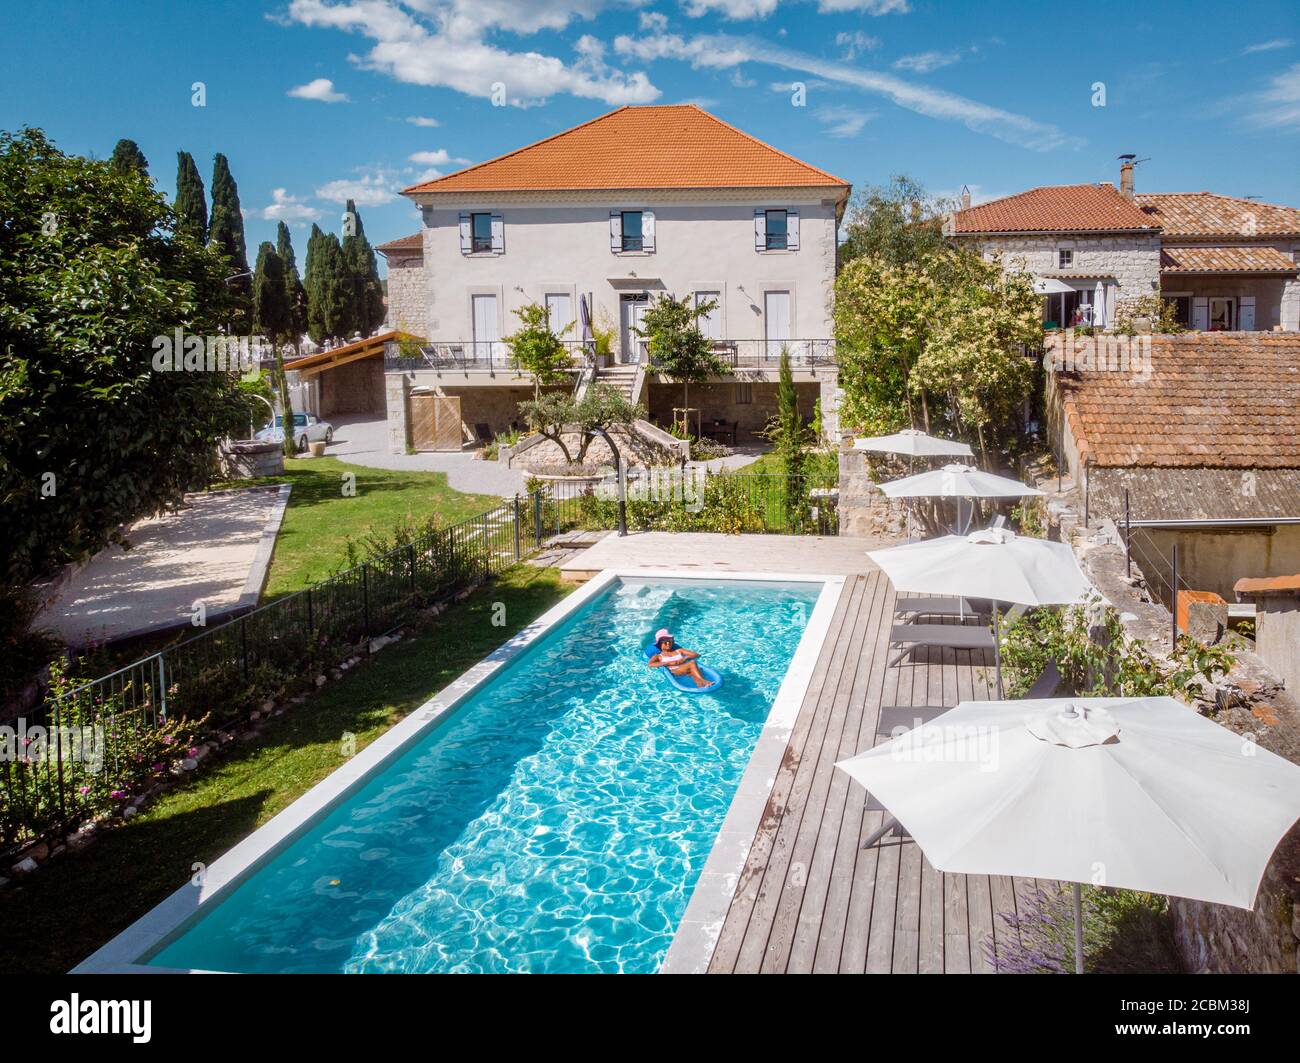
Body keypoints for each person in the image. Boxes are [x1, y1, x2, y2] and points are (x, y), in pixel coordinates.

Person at [647, 628, 711, 688]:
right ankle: (703, 681)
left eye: (670, 640)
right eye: (665, 641)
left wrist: (684, 659)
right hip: (675, 672)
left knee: (695, 671)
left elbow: (696, 655)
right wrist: (668, 663)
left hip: (685, 668)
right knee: (692, 663)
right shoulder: (658, 656)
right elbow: (650, 664)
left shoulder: (679, 651)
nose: (668, 643)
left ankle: (701, 685)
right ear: (660, 643)